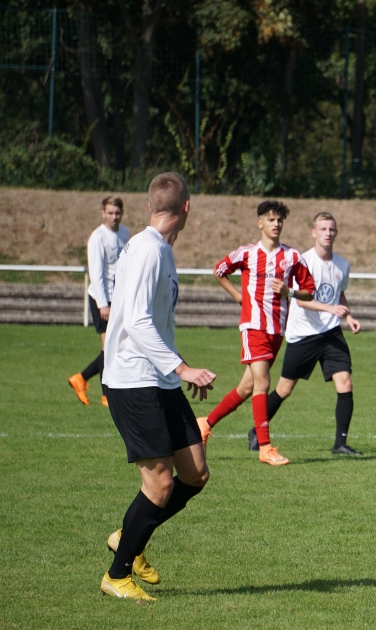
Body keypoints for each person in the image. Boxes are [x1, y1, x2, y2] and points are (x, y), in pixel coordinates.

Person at [100, 172, 216, 601]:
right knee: (161, 486)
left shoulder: (160, 249)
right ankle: (117, 575)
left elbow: (157, 323)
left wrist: (175, 369)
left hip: (159, 379)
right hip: (134, 381)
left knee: (195, 473)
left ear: (150, 206)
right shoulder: (148, 249)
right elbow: (135, 321)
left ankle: (127, 536)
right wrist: (182, 368)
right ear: (187, 208)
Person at [197, 201, 315, 466]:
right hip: (253, 327)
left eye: (279, 220)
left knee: (247, 387)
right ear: (260, 223)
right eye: (270, 219)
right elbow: (219, 270)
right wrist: (238, 296)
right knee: (263, 383)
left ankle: (204, 423)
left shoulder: (293, 257)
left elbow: (310, 291)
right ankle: (265, 447)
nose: (276, 224)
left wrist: (289, 292)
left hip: (277, 331)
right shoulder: (247, 253)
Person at [244, 212, 364, 457]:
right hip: (304, 335)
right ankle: (256, 431)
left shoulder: (342, 264)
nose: (328, 233)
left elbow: (339, 294)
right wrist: (330, 308)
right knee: (284, 389)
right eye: (323, 229)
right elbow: (301, 300)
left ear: (336, 233)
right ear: (314, 232)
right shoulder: (303, 261)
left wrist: (349, 316)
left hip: (331, 333)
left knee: (345, 383)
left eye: (331, 229)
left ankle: (340, 444)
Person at [68, 196, 129, 407]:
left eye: (117, 213)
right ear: (103, 213)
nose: (114, 217)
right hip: (102, 298)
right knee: (108, 346)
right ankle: (106, 396)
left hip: (118, 298)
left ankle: (81, 378)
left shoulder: (125, 233)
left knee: (117, 345)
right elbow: (96, 273)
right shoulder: (98, 237)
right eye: (110, 213)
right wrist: (103, 303)